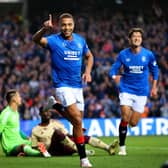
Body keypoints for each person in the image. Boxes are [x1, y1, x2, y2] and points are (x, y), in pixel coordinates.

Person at [32, 13, 94, 167]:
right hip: (62, 85)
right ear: (60, 26)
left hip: (77, 87)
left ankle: (55, 106)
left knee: (76, 124)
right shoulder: (54, 40)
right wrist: (44, 29)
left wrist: (88, 71)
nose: (67, 27)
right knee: (78, 121)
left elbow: (90, 56)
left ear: (73, 25)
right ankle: (85, 159)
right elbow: (36, 40)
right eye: (64, 25)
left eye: (69, 24)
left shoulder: (80, 41)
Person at [109, 27, 159, 155]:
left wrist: (154, 87)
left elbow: (155, 71)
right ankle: (122, 147)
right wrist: (114, 78)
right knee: (125, 116)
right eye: (134, 36)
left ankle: (125, 124)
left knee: (134, 123)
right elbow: (114, 69)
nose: (137, 38)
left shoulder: (148, 54)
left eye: (139, 36)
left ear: (141, 39)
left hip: (142, 91)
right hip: (126, 88)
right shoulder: (123, 54)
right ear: (129, 39)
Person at [31, 105, 119, 156]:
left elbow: (67, 136)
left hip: (66, 148)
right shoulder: (35, 129)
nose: (47, 113)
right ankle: (83, 152)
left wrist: (77, 131)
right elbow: (34, 146)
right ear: (40, 114)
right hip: (53, 150)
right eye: (45, 112)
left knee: (81, 136)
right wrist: (40, 147)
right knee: (57, 133)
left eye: (48, 111)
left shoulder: (56, 122)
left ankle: (108, 148)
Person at [0, 89, 50, 157]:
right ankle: (39, 154)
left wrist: (26, 137)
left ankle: (27, 153)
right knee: (23, 146)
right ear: (14, 99)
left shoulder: (16, 113)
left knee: (38, 143)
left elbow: (16, 130)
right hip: (10, 146)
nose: (21, 98)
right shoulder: (5, 114)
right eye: (19, 96)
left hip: (19, 141)